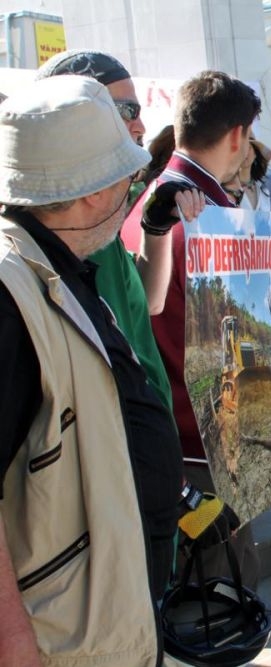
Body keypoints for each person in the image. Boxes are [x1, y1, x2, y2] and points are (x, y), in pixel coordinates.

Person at [0, 74, 179, 666]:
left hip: (102, 612)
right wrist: (13, 642)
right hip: (58, 633)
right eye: (127, 177)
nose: (133, 189)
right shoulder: (9, 288)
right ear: (90, 193)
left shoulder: (56, 258)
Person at [121, 70, 264, 587]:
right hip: (202, 443)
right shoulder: (202, 216)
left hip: (175, 435)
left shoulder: (153, 202)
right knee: (217, 605)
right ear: (237, 136)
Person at [37, 49, 194, 413]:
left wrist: (156, 229)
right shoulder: (57, 230)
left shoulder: (100, 220)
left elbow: (147, 303)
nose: (140, 126)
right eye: (126, 112)